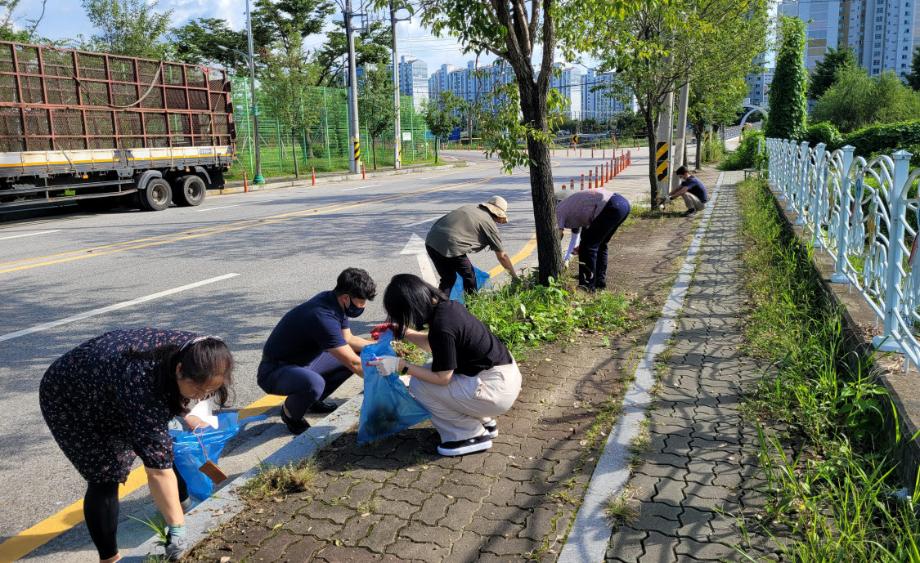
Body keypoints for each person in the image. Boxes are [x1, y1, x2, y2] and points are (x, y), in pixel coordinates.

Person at [39, 329, 233, 563]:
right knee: (105, 477)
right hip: (71, 397)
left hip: (114, 382)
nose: (201, 397)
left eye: (208, 391)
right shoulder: (143, 383)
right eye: (198, 391)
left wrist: (185, 412)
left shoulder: (201, 351)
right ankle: (109, 558)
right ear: (179, 370)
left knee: (160, 451)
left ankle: (183, 508)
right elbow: (158, 472)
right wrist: (178, 530)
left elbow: (170, 396)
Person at [369, 274, 521, 457]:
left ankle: (468, 435)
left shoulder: (442, 325)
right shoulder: (449, 308)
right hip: (502, 377)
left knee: (420, 385)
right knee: (428, 369)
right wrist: (403, 332)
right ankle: (484, 421)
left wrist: (400, 365)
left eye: (403, 315)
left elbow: (442, 378)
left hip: (495, 390)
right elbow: (436, 344)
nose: (405, 319)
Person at [258, 267, 376, 435]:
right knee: (314, 383)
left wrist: (379, 349)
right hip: (275, 370)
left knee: (360, 353)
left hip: (305, 362)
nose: (362, 306)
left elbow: (348, 339)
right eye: (361, 302)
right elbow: (354, 363)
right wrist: (384, 382)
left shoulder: (334, 301)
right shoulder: (322, 315)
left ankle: (312, 401)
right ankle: (290, 413)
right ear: (345, 298)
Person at [425, 195, 519, 294]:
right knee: (469, 277)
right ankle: (471, 305)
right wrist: (514, 277)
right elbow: (502, 257)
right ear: (498, 215)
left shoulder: (469, 207)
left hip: (431, 240)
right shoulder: (490, 225)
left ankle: (438, 306)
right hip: (452, 245)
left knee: (448, 279)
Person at [556, 188, 631, 291]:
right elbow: (588, 231)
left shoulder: (558, 209)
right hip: (622, 204)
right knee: (600, 244)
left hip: (610, 207)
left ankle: (587, 286)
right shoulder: (574, 202)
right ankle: (599, 282)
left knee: (588, 247)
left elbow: (557, 235)